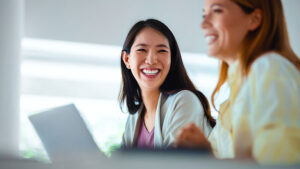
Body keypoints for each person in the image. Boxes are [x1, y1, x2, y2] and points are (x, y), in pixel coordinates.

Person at [174, 0, 300, 164]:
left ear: (254, 19)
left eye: (217, 11)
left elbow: (278, 164)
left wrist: (207, 155)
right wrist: (204, 153)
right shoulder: (231, 103)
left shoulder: (270, 68)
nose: (203, 24)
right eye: (204, 15)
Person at [119, 19, 215, 149]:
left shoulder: (184, 101)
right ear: (127, 59)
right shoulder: (133, 119)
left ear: (172, 59)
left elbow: (172, 164)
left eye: (162, 51)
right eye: (142, 49)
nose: (151, 60)